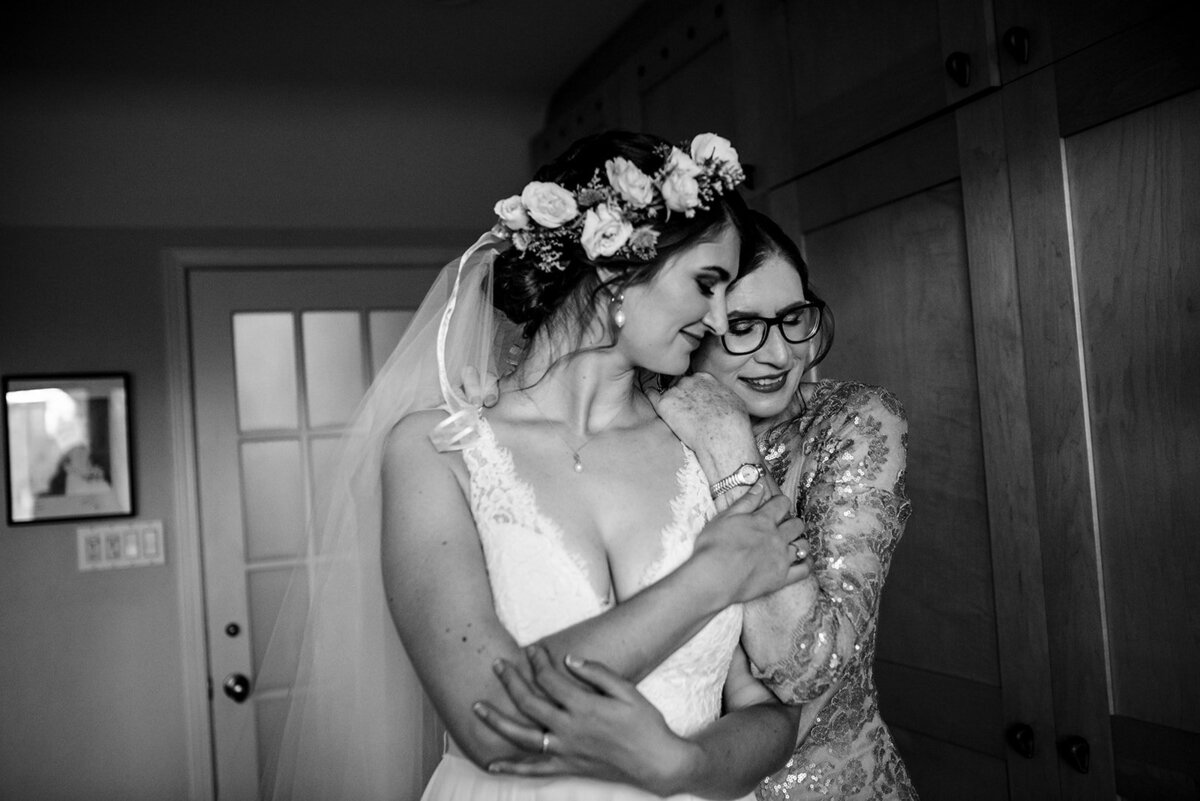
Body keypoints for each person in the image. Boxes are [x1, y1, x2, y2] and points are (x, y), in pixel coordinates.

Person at [263, 132, 816, 801]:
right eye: (707, 284)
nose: (722, 317)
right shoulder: (437, 452)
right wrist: (710, 577)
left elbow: (781, 704)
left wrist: (680, 766)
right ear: (617, 267)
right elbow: (489, 720)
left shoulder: (708, 440)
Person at [476, 211, 917, 799]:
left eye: (793, 320)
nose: (781, 355)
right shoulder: (639, 428)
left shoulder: (851, 422)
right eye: (742, 326)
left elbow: (807, 667)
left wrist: (729, 444)